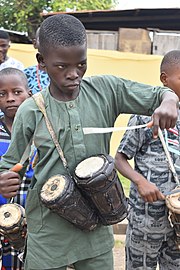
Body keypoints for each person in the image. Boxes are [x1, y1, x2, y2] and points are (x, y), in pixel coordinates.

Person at [0, 14, 179, 270]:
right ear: (42, 62)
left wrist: (169, 102)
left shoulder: (107, 90)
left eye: (81, 64)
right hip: (49, 230)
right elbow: (9, 163)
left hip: (98, 224)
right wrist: (4, 179)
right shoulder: (31, 110)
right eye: (62, 66)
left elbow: (161, 93)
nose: (74, 74)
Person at [115, 50, 180, 270]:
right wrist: (141, 182)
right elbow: (120, 158)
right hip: (146, 219)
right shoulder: (146, 115)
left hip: (178, 222)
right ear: (164, 79)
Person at [0, 67, 32, 270]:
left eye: (17, 92)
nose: (10, 98)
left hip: (32, 222)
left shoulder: (41, 132)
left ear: (29, 94)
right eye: (2, 94)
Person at [24, 28, 50, 94]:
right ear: (35, 44)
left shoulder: (70, 73)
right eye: (44, 40)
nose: (50, 43)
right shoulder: (26, 74)